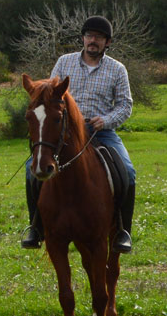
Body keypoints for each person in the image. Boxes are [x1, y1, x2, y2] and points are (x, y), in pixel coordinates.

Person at [21, 15, 136, 253]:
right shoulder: (64, 62)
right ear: (83, 38)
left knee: (128, 171)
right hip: (65, 133)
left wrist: (106, 120)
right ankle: (35, 227)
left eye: (99, 37)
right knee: (31, 170)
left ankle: (122, 231)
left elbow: (125, 105)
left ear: (107, 42)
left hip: (100, 133)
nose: (93, 40)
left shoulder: (117, 69)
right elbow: (49, 95)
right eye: (89, 36)